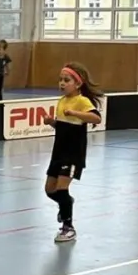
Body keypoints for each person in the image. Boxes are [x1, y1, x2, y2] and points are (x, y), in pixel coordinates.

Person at [41, 62, 103, 244]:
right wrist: (51, 122)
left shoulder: (82, 101)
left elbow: (96, 118)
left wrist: (76, 112)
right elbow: (63, 127)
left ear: (77, 83)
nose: (62, 83)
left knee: (62, 188)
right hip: (58, 153)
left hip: (73, 154)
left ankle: (68, 227)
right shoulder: (61, 101)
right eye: (60, 79)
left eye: (66, 80)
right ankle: (67, 203)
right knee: (49, 190)